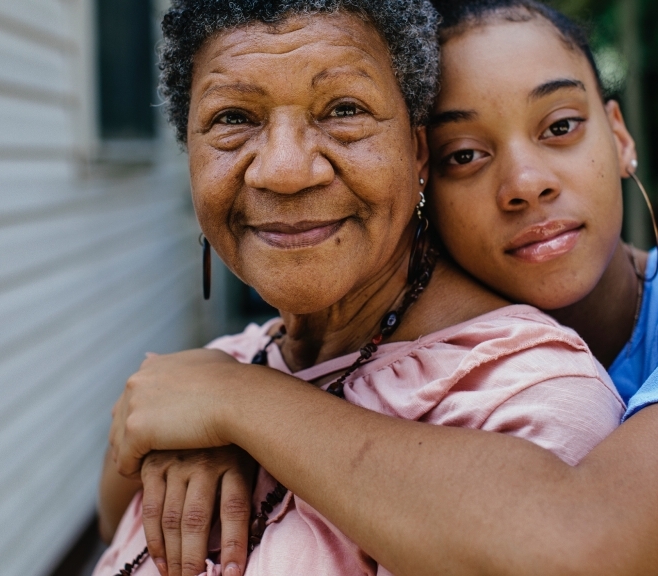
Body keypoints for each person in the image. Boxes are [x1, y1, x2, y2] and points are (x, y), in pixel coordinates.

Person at [106, 1, 658, 574]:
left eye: (560, 128)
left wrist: (236, 403)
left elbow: (592, 545)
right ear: (423, 175)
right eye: (467, 153)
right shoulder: (377, 355)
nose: (527, 182)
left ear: (619, 134)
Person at [90, 2, 629, 574]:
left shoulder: (520, 392)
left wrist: (236, 407)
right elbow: (112, 521)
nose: (284, 170)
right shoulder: (212, 373)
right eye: (233, 119)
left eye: (343, 110)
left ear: (418, 151)